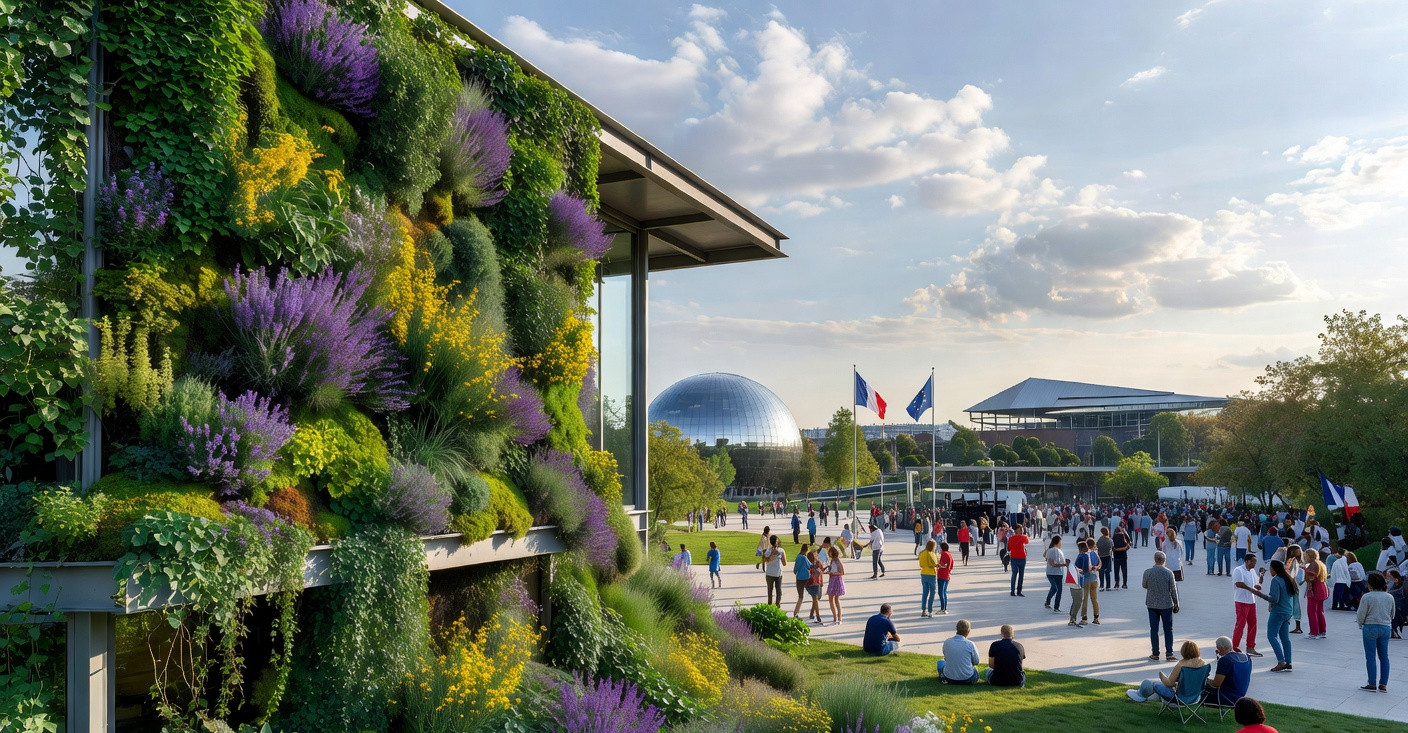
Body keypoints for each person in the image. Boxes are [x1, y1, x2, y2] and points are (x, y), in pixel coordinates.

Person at [1125, 640, 1208, 703]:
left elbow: (1168, 684)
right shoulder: (1203, 664)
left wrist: (1161, 676)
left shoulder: (1182, 665)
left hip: (1178, 698)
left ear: (1183, 651)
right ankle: (1143, 695)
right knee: (1159, 686)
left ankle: (1140, 696)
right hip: (1195, 697)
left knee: (1150, 683)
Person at [1356, 572, 1393, 693]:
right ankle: (1383, 684)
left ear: (1370, 584)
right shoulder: (1389, 597)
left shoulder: (1367, 597)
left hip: (1370, 626)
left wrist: (1361, 624)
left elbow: (1361, 614)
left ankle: (1372, 683)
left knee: (1370, 656)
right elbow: (1392, 614)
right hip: (1385, 627)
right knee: (1384, 656)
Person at [1261, 558, 1297, 672]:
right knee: (1285, 638)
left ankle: (1281, 661)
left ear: (1274, 569)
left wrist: (1261, 595)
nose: (1269, 571)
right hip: (1287, 612)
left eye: (1270, 568)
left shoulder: (1276, 580)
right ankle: (1288, 661)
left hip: (1278, 611)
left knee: (1272, 636)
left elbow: (1275, 599)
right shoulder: (1288, 579)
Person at [1143, 551, 1180, 660]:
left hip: (1152, 603)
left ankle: (1155, 653)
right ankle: (1169, 653)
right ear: (1164, 560)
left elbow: (1144, 585)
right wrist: (1176, 603)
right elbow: (1173, 589)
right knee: (1168, 629)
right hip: (1166, 604)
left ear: (1155, 560)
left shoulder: (1148, 572)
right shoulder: (1169, 573)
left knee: (1154, 629)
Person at [1204, 636, 1252, 707]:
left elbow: (1216, 684)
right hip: (1239, 696)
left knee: (1197, 689)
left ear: (1222, 648)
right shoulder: (1246, 658)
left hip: (1225, 697)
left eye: (1217, 648)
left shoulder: (1225, 660)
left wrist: (1205, 680)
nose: (1217, 651)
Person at [1230, 553, 1263, 656]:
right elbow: (1238, 583)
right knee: (1240, 624)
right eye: (1253, 561)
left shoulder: (1252, 571)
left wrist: (1259, 583)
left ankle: (1250, 646)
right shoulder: (1238, 570)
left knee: (1253, 624)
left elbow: (1256, 583)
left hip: (1251, 601)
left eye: (1255, 561)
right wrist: (1251, 589)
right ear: (1247, 561)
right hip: (1241, 601)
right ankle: (1234, 647)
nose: (1254, 563)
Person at [936, 619, 980, 684]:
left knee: (940, 663)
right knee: (975, 671)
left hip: (949, 677)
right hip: (967, 678)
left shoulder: (947, 642)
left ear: (957, 629)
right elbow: (976, 661)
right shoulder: (970, 644)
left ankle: (944, 677)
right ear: (968, 630)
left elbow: (946, 657)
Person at [1303, 548, 1328, 638]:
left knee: (1312, 611)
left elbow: (1312, 575)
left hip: (1315, 589)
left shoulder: (1313, 564)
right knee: (1320, 611)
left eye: (1306, 556)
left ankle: (1314, 632)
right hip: (1322, 588)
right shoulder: (1321, 563)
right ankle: (1322, 631)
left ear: (1309, 556)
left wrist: (1304, 569)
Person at [1079, 534, 1101, 624]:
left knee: (1085, 598)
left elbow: (1082, 568)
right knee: (1094, 599)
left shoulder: (1084, 554)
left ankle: (1084, 618)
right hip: (1095, 578)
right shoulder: (1095, 554)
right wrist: (1094, 568)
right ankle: (1096, 618)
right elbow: (1099, 565)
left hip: (1086, 578)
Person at [762, 535, 787, 607]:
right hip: (777, 574)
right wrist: (775, 555)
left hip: (770, 574)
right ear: (776, 542)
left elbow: (765, 560)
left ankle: (770, 605)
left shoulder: (768, 551)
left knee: (770, 591)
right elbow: (784, 563)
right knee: (778, 591)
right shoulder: (781, 551)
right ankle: (777, 606)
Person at [1044, 535, 1067, 612]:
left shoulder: (1052, 550)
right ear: (1058, 542)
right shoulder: (1056, 550)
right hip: (1056, 572)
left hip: (1053, 572)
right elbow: (1054, 564)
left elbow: (1045, 556)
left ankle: (1052, 603)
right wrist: (1065, 564)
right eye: (1060, 542)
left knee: (1056, 588)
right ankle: (1054, 605)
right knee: (1057, 589)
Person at [824, 545, 846, 624]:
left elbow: (842, 572)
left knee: (836, 599)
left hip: (836, 580)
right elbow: (831, 568)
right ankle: (834, 617)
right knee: (830, 599)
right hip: (832, 580)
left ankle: (839, 617)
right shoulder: (832, 561)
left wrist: (832, 573)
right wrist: (827, 570)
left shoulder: (837, 561)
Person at [1068, 540, 1088, 627]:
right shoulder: (1085, 556)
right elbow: (1085, 569)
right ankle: (1072, 618)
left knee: (1075, 600)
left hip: (1073, 580)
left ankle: (1072, 615)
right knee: (1079, 601)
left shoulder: (1079, 555)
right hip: (1080, 581)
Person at [918, 539, 939, 618]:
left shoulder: (922, 553)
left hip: (923, 574)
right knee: (932, 593)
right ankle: (930, 611)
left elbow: (921, 565)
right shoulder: (932, 554)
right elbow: (933, 564)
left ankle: (923, 610)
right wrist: (938, 565)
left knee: (925, 593)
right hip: (931, 574)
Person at [792, 543, 813, 619]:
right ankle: (813, 612)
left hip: (799, 578)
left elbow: (795, 569)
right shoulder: (804, 557)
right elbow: (810, 565)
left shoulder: (798, 557)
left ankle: (796, 612)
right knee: (814, 596)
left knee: (800, 597)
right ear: (806, 550)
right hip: (806, 578)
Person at [1008, 525, 1029, 596]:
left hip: (1014, 557)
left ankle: (1012, 591)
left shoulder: (1011, 538)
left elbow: (1009, 548)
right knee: (1021, 574)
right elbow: (1027, 542)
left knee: (1014, 574)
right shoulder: (1024, 537)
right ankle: (1019, 591)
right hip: (1022, 557)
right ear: (1020, 530)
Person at [1330, 546, 1352, 610]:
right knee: (1343, 594)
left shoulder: (1336, 562)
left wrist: (1333, 580)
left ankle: (1335, 605)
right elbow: (1346, 572)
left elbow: (1333, 572)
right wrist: (1348, 580)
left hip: (1338, 581)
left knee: (1337, 594)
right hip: (1344, 580)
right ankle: (1342, 605)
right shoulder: (1345, 562)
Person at [935, 541, 954, 615]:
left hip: (942, 575)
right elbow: (951, 564)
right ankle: (945, 607)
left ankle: (943, 608)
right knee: (944, 592)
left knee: (941, 592)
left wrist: (938, 565)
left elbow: (943, 564)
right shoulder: (949, 554)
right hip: (947, 575)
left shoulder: (944, 554)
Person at [1112, 523, 1132, 589]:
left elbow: (1112, 547)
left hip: (1116, 556)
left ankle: (1117, 583)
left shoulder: (1114, 536)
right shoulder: (1124, 535)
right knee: (1124, 570)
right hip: (1123, 555)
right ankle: (1125, 583)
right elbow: (1129, 543)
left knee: (1116, 570)